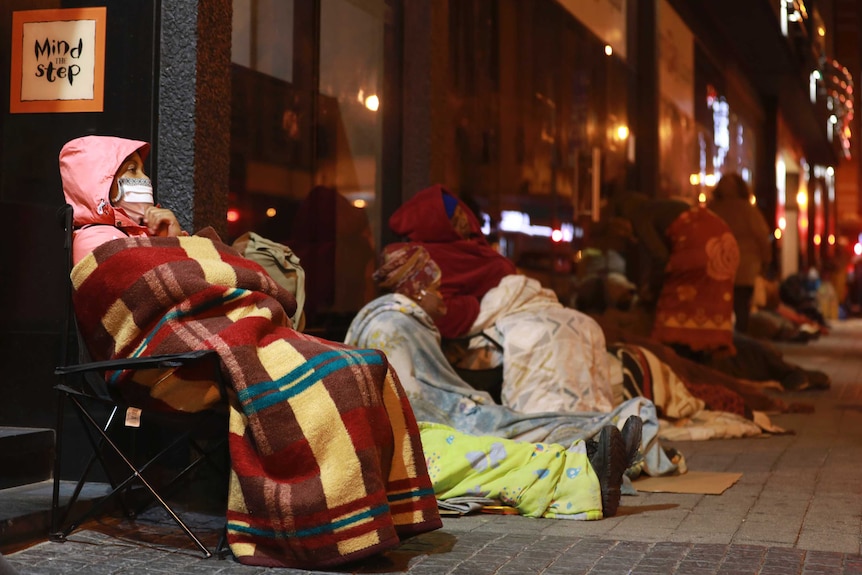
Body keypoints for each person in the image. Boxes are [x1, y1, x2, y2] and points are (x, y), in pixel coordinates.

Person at [59, 135, 442, 569]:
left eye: (141, 169)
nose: (141, 180)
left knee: (364, 364)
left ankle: (371, 517)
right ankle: (328, 528)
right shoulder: (94, 240)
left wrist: (174, 236)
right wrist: (178, 245)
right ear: (98, 184)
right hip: (166, 364)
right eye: (127, 172)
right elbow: (163, 299)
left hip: (215, 343)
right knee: (331, 377)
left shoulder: (145, 232)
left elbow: (200, 276)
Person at [348, 243, 668, 518]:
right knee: (498, 448)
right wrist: (465, 411)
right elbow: (410, 402)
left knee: (504, 444)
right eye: (436, 290)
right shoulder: (393, 324)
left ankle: (589, 457)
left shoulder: (398, 321)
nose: (443, 298)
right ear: (417, 289)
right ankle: (586, 469)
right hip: (422, 431)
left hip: (430, 430)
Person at [387, 184, 614, 415]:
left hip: (516, 303)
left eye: (462, 215)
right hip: (493, 317)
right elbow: (446, 311)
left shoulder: (472, 249)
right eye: (454, 220)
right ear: (437, 226)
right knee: (542, 335)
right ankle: (551, 414)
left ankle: (590, 413)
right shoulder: (424, 261)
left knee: (583, 325)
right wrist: (478, 304)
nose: (464, 223)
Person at [611, 192, 740, 362]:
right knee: (699, 309)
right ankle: (700, 361)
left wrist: (651, 290)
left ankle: (679, 364)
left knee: (673, 307)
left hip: (698, 245)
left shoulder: (639, 215)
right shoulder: (661, 208)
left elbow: (660, 257)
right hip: (724, 245)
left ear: (622, 219)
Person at [707, 173, 772, 334]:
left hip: (718, 265)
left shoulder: (713, 209)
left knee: (719, 306)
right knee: (742, 306)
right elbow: (762, 238)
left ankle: (720, 337)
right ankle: (740, 340)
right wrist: (765, 261)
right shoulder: (749, 211)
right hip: (745, 267)